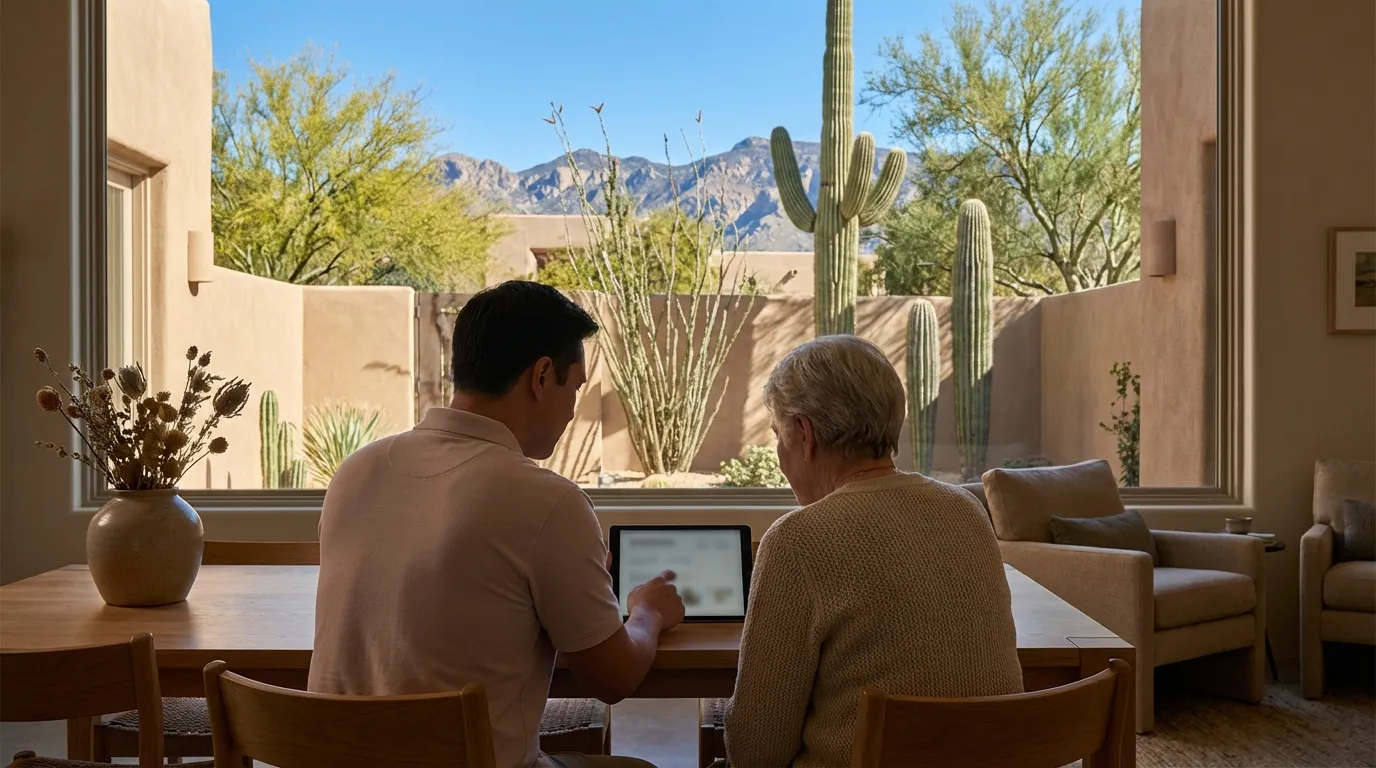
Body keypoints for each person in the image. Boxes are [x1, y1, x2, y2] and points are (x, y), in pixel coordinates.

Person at [309, 281, 684, 768]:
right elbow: (612, 680)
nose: (573, 409)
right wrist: (646, 612)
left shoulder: (354, 470)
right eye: (576, 386)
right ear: (542, 376)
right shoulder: (546, 500)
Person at [720, 335, 1023, 768]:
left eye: (777, 434)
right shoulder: (967, 511)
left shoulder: (796, 540)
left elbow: (756, 754)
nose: (781, 455)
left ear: (804, 435)